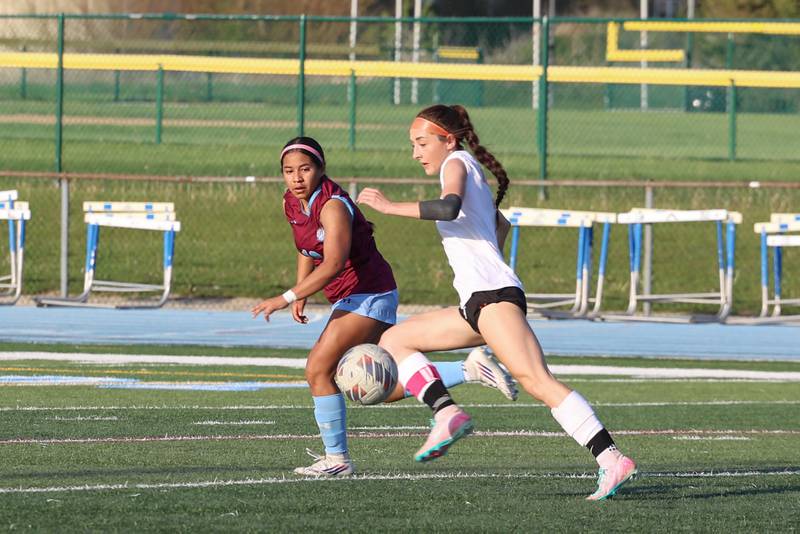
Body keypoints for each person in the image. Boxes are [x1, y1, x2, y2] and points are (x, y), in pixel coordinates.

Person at [356, 105, 637, 500]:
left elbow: (449, 207)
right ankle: (446, 412)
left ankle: (611, 458)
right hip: (481, 300)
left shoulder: (455, 161)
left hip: (492, 297)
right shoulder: (465, 167)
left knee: (538, 381)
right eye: (413, 145)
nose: (416, 152)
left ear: (448, 140)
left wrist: (388, 207)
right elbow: (500, 224)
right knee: (396, 340)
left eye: (422, 143)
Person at [252, 136, 517, 478]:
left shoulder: (332, 205)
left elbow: (332, 264)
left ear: (321, 169)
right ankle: (468, 369)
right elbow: (306, 248)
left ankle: (338, 460)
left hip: (369, 294)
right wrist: (302, 290)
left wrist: (285, 296)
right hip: (354, 296)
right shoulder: (292, 201)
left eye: (305, 169)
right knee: (375, 386)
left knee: (318, 369)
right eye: (289, 171)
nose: (297, 178)